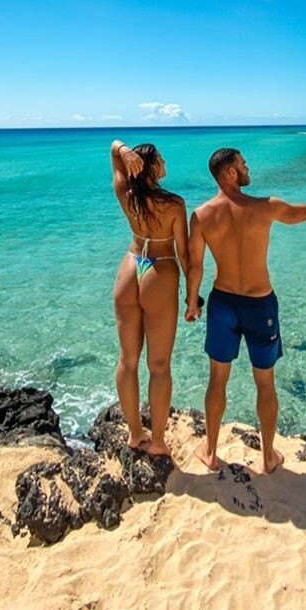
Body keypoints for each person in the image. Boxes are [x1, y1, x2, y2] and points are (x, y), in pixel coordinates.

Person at [185, 147, 306, 474]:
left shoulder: (200, 216)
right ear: (230, 172)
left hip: (223, 303)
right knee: (265, 383)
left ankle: (210, 452)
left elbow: (194, 265)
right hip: (259, 305)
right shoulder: (264, 207)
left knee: (217, 379)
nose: (247, 167)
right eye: (242, 164)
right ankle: (268, 457)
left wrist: (191, 301)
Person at [110, 139, 197, 456]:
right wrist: (192, 297)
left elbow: (113, 152)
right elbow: (184, 255)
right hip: (159, 271)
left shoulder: (127, 194)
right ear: (151, 167)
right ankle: (158, 442)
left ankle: (135, 433)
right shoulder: (174, 204)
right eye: (161, 159)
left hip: (130, 267)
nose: (165, 163)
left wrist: (123, 151)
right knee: (159, 365)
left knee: (127, 359)